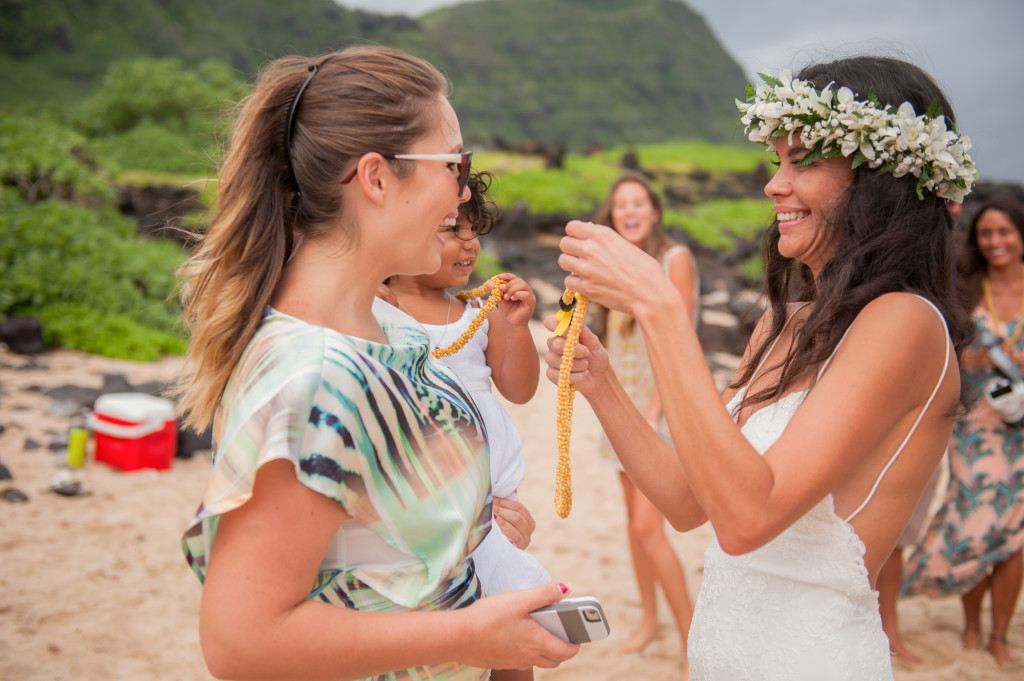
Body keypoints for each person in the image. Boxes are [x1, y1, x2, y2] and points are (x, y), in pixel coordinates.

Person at [545, 55, 976, 680]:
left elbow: (749, 520)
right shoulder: (783, 325)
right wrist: (601, 382)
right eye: (776, 160)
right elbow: (693, 503)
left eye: (804, 160)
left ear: (878, 180)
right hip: (724, 651)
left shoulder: (905, 323)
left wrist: (660, 306)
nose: (774, 184)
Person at [174, 45, 578, 681]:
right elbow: (239, 641)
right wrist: (469, 635)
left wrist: (472, 531)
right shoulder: (316, 375)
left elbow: (356, 544)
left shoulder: (383, 329)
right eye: (454, 164)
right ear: (377, 177)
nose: (464, 191)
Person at [383, 171, 550, 681]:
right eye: (452, 230)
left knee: (512, 628)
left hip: (496, 495)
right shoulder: (379, 307)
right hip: (431, 499)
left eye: (474, 232)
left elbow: (519, 389)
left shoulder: (478, 312)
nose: (469, 244)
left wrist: (517, 327)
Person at [902, 193, 1024, 666]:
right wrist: (965, 356)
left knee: (1016, 533)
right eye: (987, 233)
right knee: (978, 518)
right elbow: (940, 348)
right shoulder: (967, 290)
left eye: (1005, 232)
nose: (996, 242)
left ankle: (997, 635)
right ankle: (971, 624)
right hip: (977, 424)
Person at [589, 172, 696, 669]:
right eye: (619, 206)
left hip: (659, 413)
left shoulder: (673, 261)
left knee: (649, 529)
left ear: (654, 211)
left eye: (637, 203)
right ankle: (650, 622)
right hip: (623, 411)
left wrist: (653, 414)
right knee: (635, 532)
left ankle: (693, 637)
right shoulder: (614, 272)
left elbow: (680, 344)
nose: (628, 212)